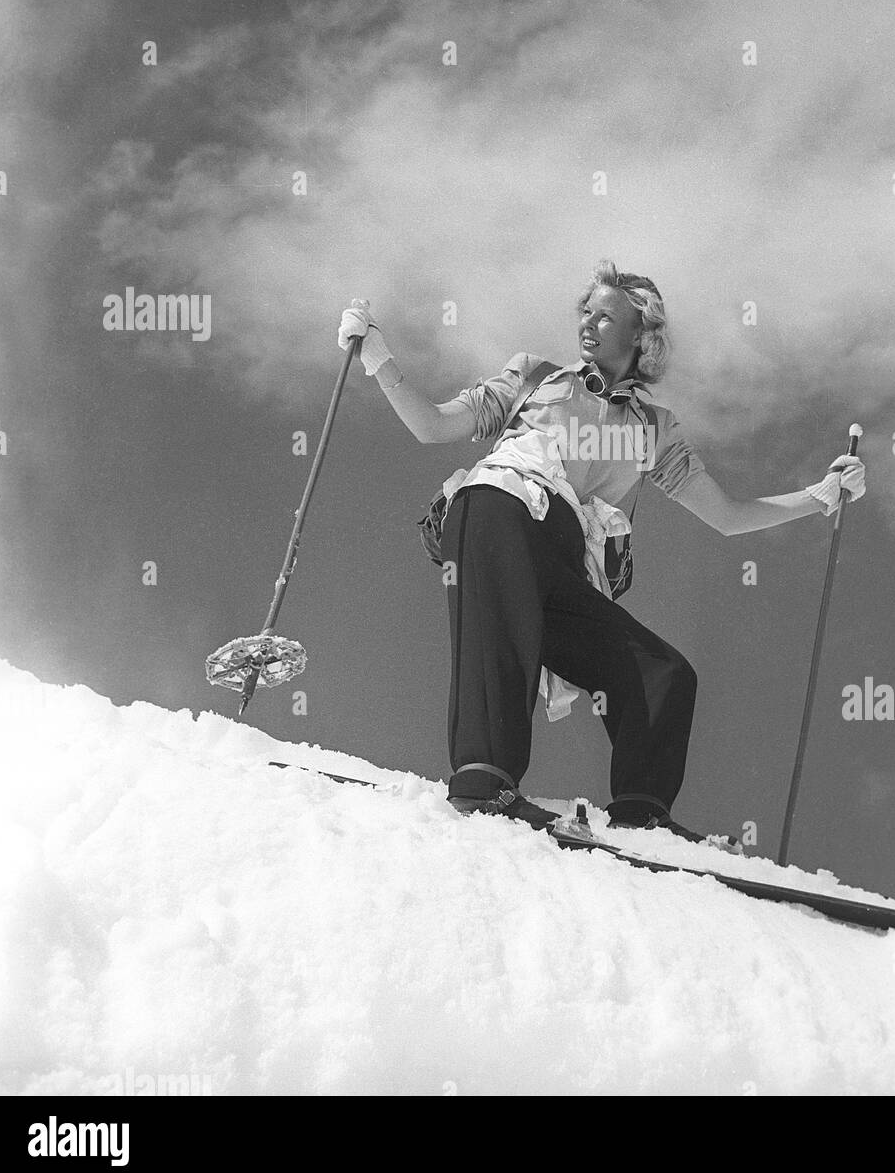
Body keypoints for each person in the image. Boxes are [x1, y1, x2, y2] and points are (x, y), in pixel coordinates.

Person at [337, 261, 864, 843]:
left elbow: (729, 516)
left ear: (641, 335)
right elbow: (433, 427)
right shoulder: (534, 377)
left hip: (560, 558)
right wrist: (377, 356)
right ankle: (484, 782)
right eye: (585, 311)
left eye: (604, 314)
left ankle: (641, 818)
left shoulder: (652, 430)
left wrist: (818, 499)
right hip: (498, 509)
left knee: (662, 672)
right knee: (502, 635)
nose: (587, 323)